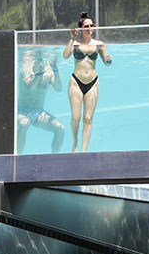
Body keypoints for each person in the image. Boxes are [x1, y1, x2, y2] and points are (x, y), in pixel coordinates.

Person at [63, 12, 112, 152]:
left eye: (92, 26)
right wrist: (72, 38)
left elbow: (107, 62)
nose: (90, 28)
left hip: (93, 83)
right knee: (76, 117)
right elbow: (65, 56)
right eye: (86, 26)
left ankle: (83, 151)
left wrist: (109, 59)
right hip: (76, 82)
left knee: (88, 118)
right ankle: (75, 142)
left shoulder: (99, 44)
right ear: (81, 28)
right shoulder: (75, 43)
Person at [17, 49, 65, 153]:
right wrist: (39, 73)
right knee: (24, 124)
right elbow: (29, 88)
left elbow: (58, 88)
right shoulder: (26, 67)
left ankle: (55, 158)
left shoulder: (49, 71)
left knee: (60, 128)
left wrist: (55, 70)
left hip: (39, 113)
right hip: (21, 111)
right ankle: (16, 157)